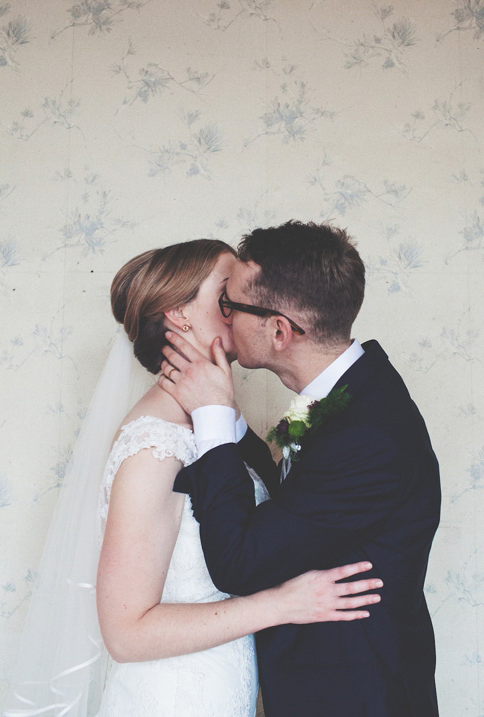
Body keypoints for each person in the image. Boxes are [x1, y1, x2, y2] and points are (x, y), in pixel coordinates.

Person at [2, 239, 382, 717]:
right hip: (171, 698)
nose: (247, 312)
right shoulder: (153, 445)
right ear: (178, 315)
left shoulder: (213, 421)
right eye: (227, 298)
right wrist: (280, 605)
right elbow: (125, 632)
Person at [159, 222, 440, 716]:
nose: (225, 317)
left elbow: (239, 563)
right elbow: (288, 493)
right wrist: (227, 415)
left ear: (279, 330)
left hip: (356, 695)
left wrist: (210, 419)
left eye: (232, 305)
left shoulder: (368, 434)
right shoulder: (341, 390)